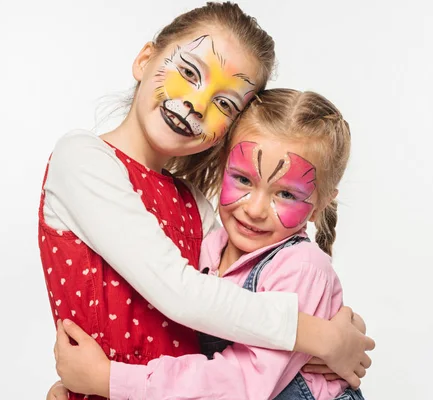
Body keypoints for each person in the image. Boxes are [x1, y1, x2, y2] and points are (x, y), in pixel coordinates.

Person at [39, 3, 373, 400]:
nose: (198, 104)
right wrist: (318, 335)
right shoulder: (83, 159)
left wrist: (324, 339)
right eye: (189, 73)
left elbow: (230, 318)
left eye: (225, 103)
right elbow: (179, 292)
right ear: (146, 59)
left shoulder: (196, 206)